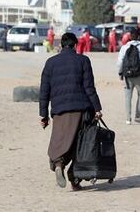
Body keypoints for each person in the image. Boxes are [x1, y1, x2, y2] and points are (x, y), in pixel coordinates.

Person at [39, 33, 103, 191]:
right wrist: (97, 108)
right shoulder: (83, 60)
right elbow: (89, 87)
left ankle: (59, 163)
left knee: (61, 140)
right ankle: (75, 180)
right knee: (80, 145)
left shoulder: (50, 62)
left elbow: (44, 91)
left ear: (61, 46)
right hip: (81, 109)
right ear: (75, 45)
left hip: (59, 110)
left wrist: (44, 115)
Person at [117, 29, 140, 124]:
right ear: (139, 36)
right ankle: (137, 116)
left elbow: (120, 61)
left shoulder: (124, 47)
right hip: (138, 74)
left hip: (127, 76)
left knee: (128, 96)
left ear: (130, 37)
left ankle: (128, 119)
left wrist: (120, 73)